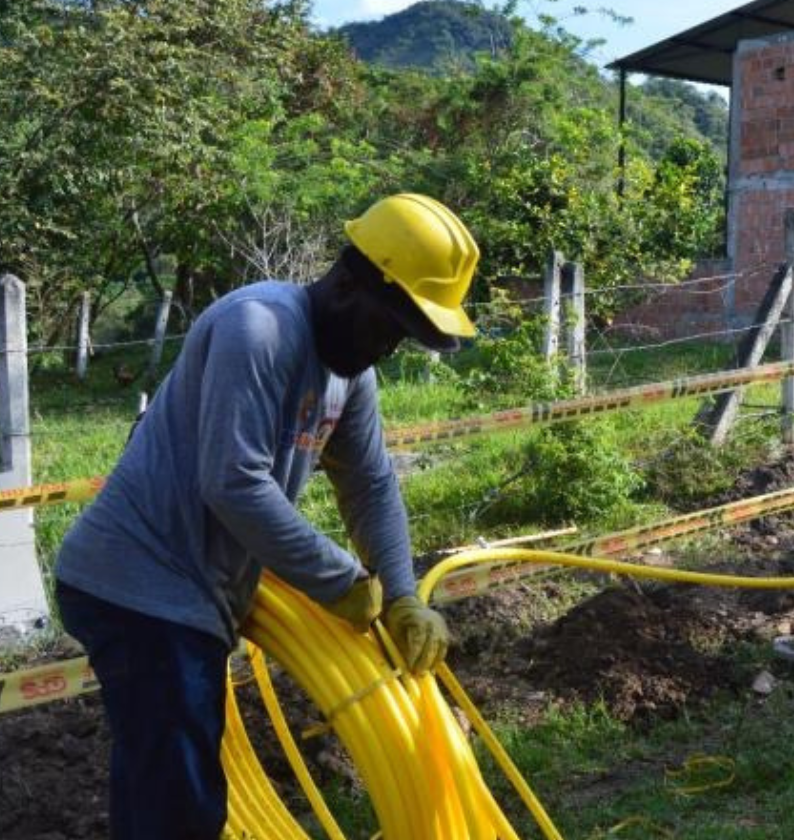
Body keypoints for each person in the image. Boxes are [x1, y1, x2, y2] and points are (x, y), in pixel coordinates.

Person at [52, 193, 480, 839]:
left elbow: (370, 484)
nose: (391, 347)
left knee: (170, 789)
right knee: (179, 804)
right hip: (138, 585)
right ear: (349, 284)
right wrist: (340, 581)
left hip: (190, 596)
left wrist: (399, 594)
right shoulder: (260, 326)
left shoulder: (349, 374)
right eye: (391, 325)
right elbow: (234, 483)